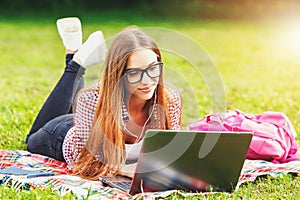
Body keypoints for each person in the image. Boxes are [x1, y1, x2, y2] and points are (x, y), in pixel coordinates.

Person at [26, 17, 182, 180]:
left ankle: (74, 52)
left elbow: (170, 155)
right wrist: (124, 170)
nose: (147, 80)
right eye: (135, 73)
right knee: (31, 140)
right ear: (118, 74)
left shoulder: (169, 100)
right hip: (62, 135)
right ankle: (76, 63)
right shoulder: (91, 99)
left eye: (153, 68)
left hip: (88, 123)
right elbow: (85, 163)